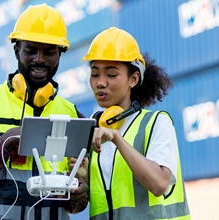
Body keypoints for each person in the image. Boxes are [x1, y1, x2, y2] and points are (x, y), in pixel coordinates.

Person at [0, 4, 89, 220]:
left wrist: (81, 191)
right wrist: (6, 142)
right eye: (31, 50)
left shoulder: (73, 115)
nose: (40, 59)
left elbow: (75, 206)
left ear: (60, 54)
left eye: (49, 52)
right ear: (17, 50)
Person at [69, 27, 190, 219]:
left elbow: (159, 184)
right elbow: (110, 198)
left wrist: (117, 138)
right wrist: (84, 180)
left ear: (133, 79)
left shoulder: (156, 122)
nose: (100, 82)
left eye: (111, 74)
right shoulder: (93, 129)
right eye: (94, 73)